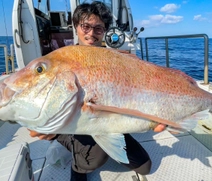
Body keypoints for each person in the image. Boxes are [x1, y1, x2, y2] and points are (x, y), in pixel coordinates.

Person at [29, 1, 166, 181]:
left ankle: (111, 143)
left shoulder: (115, 59)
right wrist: (49, 127)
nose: (91, 33)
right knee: (95, 158)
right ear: (76, 26)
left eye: (98, 29)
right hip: (75, 125)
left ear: (105, 31)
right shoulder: (61, 59)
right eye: (86, 26)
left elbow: (135, 90)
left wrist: (157, 113)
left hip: (107, 119)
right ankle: (77, 165)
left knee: (145, 167)